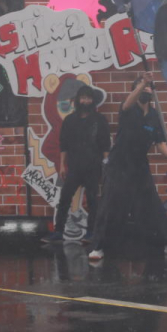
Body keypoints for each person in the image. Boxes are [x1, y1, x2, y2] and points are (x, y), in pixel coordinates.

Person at [88, 72, 167, 261]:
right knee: (109, 206)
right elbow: (127, 103)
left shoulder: (154, 115)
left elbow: (159, 141)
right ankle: (98, 247)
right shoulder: (128, 108)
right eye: (141, 87)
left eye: (148, 87)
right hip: (119, 163)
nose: (145, 89)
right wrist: (142, 83)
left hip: (139, 164)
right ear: (135, 90)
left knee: (153, 205)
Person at [47, 84, 111, 242]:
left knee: (93, 200)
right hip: (74, 167)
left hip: (93, 166)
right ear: (77, 100)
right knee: (64, 199)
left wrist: (106, 165)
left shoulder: (100, 120)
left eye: (89, 98)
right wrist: (62, 165)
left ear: (93, 101)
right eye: (83, 98)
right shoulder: (69, 120)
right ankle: (58, 232)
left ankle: (91, 233)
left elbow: (105, 144)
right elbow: (64, 144)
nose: (86, 101)